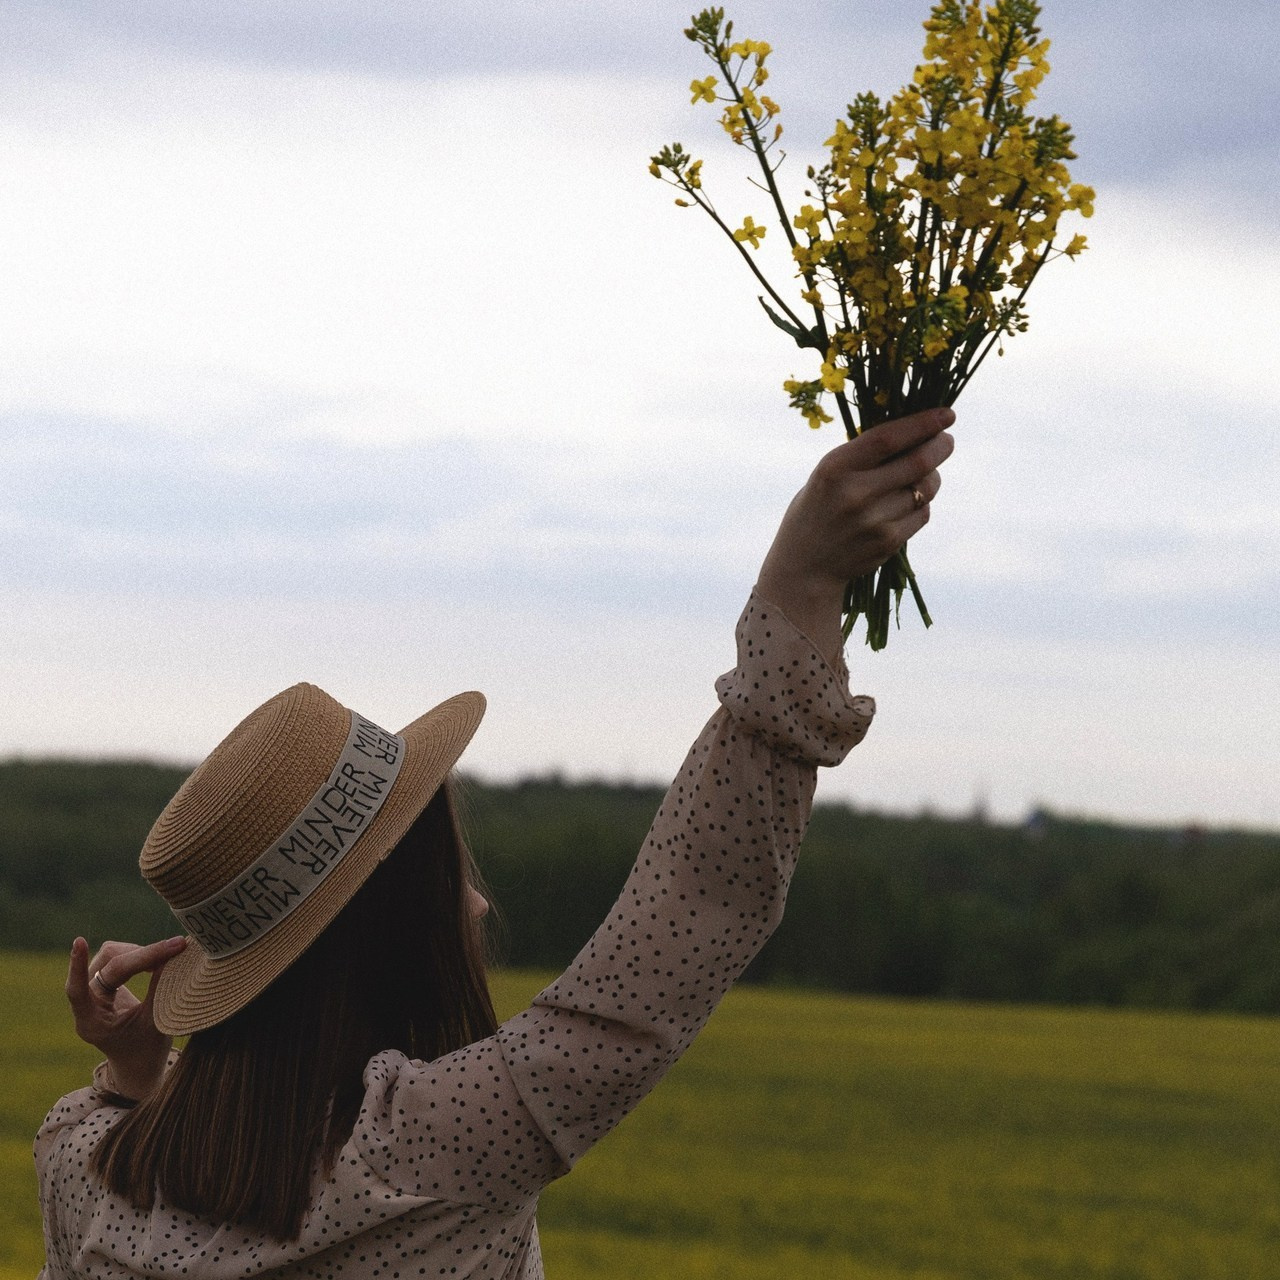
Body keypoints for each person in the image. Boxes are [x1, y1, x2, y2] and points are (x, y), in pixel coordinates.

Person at [35, 407, 955, 1278]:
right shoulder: (439, 1144)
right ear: (385, 931)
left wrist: (134, 1072)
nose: (477, 904)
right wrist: (801, 584)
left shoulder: (87, 1166)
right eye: (452, 879)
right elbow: (693, 910)